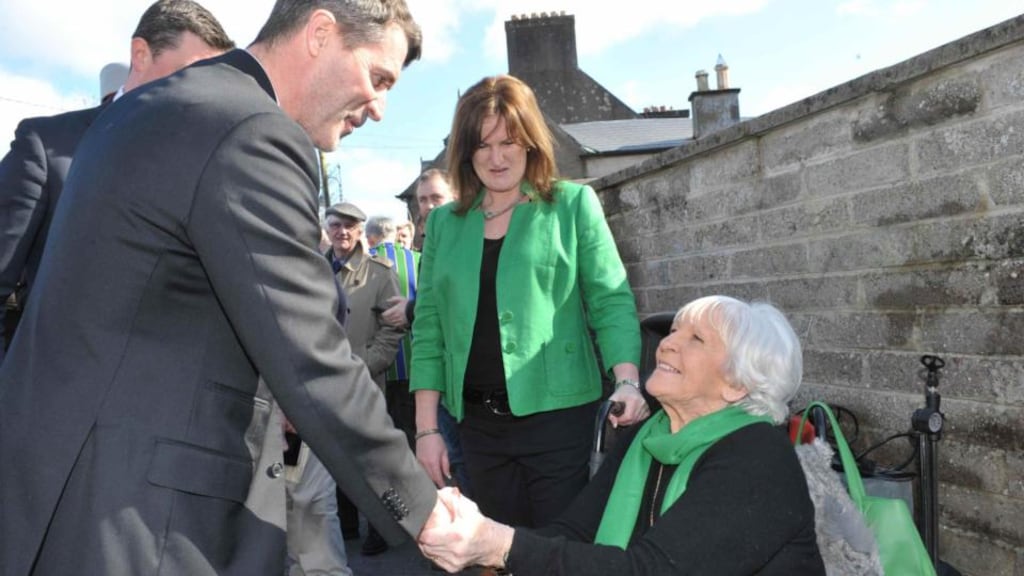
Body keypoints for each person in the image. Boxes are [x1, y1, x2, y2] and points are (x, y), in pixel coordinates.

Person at [0, 2, 445, 575]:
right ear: (320, 32)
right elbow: (313, 358)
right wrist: (428, 516)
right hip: (144, 524)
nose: (380, 108)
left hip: (68, 499)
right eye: (377, 77)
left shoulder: (151, 107)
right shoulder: (250, 128)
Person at [418, 295, 827, 575]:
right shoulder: (649, 434)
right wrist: (472, 533)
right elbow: (576, 532)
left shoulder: (757, 457)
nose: (666, 344)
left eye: (695, 339)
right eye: (674, 332)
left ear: (738, 383)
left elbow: (651, 571)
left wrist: (498, 544)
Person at [409, 74, 648, 530]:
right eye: (483, 146)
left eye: (509, 142)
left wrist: (628, 381)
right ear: (465, 152)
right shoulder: (443, 224)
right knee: (495, 553)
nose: (496, 158)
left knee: (559, 554)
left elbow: (611, 299)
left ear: (531, 143)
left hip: (560, 422)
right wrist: (427, 430)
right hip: (476, 429)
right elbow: (429, 328)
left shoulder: (572, 205)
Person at [0, 0, 234, 363]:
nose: (202, 92)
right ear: (140, 55)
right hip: (55, 397)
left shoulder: (217, 164)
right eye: (189, 74)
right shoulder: (48, 146)